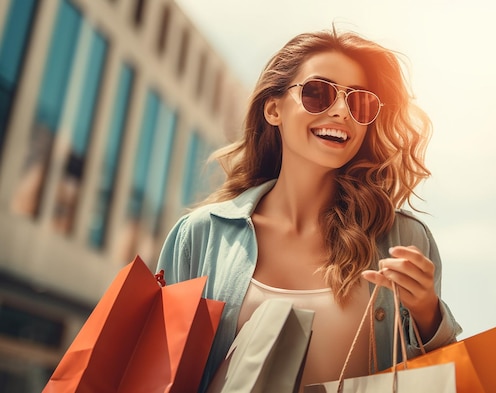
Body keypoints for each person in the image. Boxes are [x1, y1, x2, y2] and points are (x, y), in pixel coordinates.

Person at [156, 26, 462, 392]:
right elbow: (160, 372)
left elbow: (441, 380)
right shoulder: (200, 235)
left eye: (359, 103)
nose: (340, 112)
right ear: (273, 109)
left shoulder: (402, 238)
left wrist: (428, 314)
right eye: (319, 93)